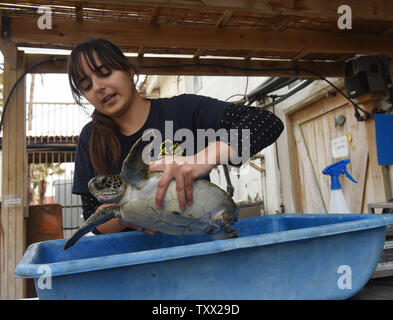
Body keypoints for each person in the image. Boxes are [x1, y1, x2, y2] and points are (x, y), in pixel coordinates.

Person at [69, 38, 284, 235]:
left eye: (105, 73)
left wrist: (201, 159)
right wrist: (127, 215)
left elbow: (266, 123)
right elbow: (92, 216)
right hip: (135, 261)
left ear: (128, 70)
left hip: (196, 243)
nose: (97, 87)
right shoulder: (90, 139)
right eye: (86, 85)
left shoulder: (183, 110)